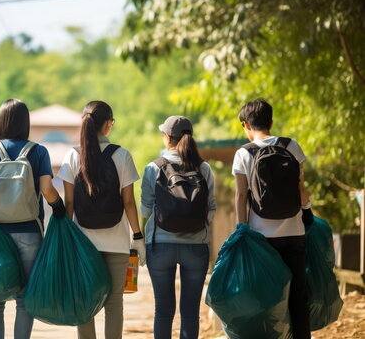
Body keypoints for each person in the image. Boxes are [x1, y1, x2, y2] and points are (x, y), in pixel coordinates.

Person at [0, 98, 65, 339]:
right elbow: (47, 189)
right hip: (29, 231)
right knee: (24, 299)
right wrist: (59, 207)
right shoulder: (38, 151)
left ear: (1, 121)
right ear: (25, 122)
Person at [57, 100, 145, 339]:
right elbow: (128, 202)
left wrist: (66, 237)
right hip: (116, 241)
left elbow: (70, 203)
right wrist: (137, 236)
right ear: (108, 124)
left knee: (85, 300)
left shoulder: (72, 156)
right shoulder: (122, 155)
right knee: (114, 303)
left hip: (83, 243)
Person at [232, 98, 313, 339]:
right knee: (298, 296)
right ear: (271, 122)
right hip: (294, 232)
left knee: (265, 298)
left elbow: (240, 195)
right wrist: (307, 212)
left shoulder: (243, 153)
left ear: (246, 125)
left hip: (261, 237)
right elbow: (301, 187)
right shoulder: (291, 146)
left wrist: (241, 229)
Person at [140, 115, 216, 339]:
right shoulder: (203, 168)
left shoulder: (154, 167)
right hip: (196, 246)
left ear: (167, 138)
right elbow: (211, 210)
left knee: (163, 311)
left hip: (160, 246)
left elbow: (145, 210)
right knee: (191, 312)